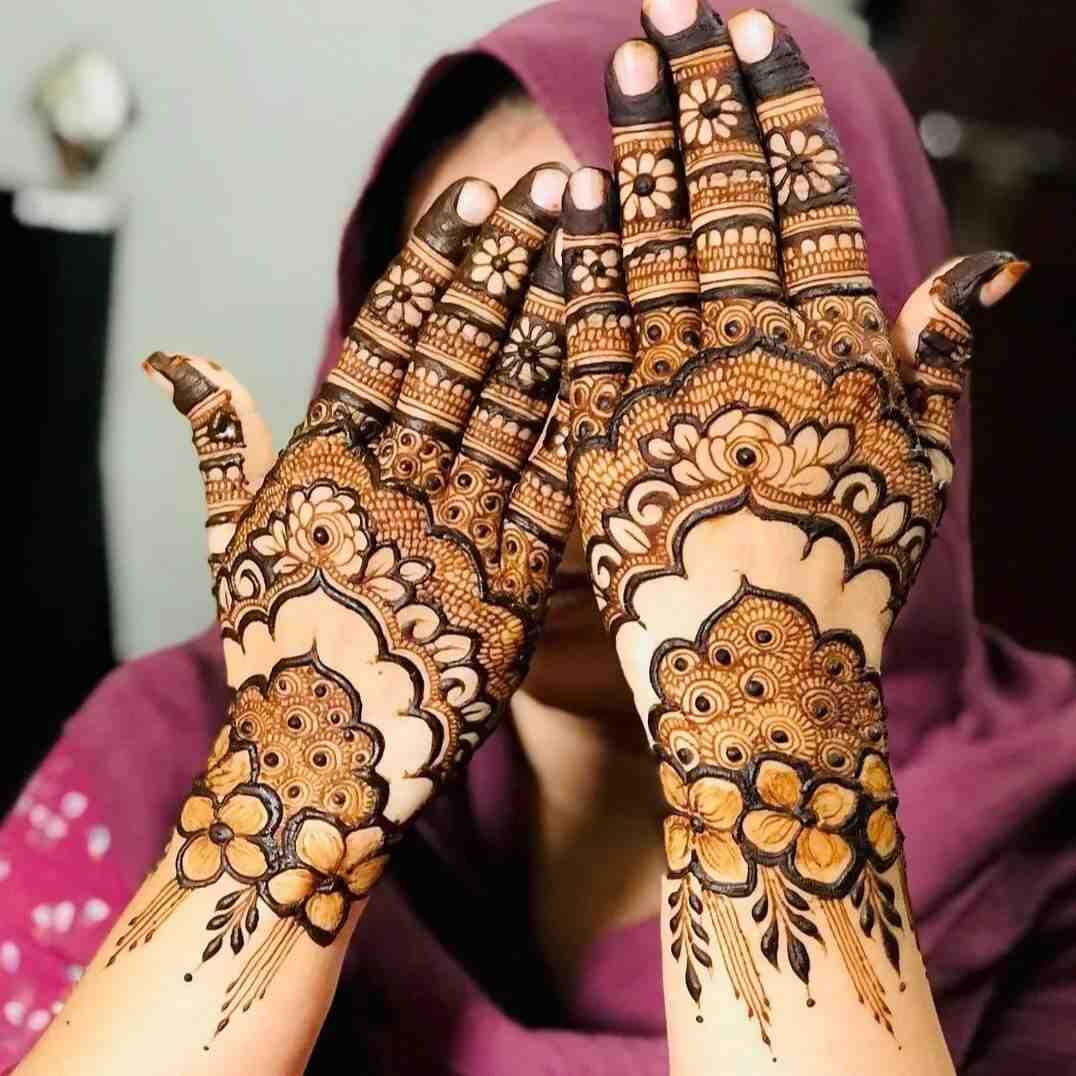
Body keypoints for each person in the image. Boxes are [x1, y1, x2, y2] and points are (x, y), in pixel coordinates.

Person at [3, 1, 1074, 1073]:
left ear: (878, 370)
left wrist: (769, 719)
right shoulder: (177, 745)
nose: (568, 483)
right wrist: (293, 800)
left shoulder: (1044, 845)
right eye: (490, 362)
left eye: (665, 363)